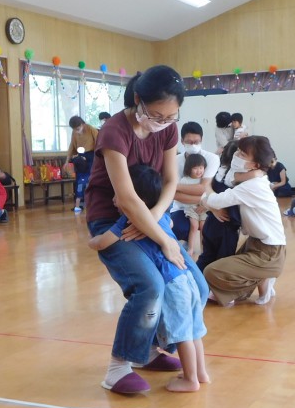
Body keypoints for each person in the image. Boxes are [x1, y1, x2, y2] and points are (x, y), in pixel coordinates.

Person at [85, 65, 207, 395]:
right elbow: (124, 198)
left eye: (171, 117)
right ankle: (118, 366)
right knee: (150, 286)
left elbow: (171, 181)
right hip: (115, 219)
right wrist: (161, 237)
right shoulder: (114, 132)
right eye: (157, 115)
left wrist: (153, 220)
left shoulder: (167, 129)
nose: (165, 123)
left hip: (151, 216)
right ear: (138, 100)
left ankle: (149, 349)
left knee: (198, 285)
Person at [89, 164, 208, 392]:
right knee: (193, 330)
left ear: (137, 201)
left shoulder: (127, 221)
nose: (116, 199)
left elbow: (103, 242)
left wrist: (92, 242)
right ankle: (201, 373)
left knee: (182, 333)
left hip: (172, 285)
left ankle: (190, 380)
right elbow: (171, 224)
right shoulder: (162, 216)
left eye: (120, 194)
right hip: (186, 279)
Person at [201, 136, 285, 306]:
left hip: (269, 252)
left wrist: (204, 196)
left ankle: (262, 277)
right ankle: (261, 279)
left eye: (242, 154)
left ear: (254, 165)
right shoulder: (254, 178)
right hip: (256, 244)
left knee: (211, 271)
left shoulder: (252, 185)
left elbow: (215, 201)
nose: (236, 156)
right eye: (238, 151)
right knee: (219, 275)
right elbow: (232, 177)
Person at [196, 141, 243, 273]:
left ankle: (195, 284)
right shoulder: (235, 178)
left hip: (210, 223)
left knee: (206, 257)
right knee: (223, 262)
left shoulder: (217, 172)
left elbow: (205, 195)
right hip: (226, 227)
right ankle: (216, 291)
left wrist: (212, 209)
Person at [170, 122, 220, 243]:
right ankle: (187, 246)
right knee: (178, 227)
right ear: (182, 141)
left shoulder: (212, 158)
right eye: (189, 142)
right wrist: (203, 199)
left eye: (196, 142)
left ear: (201, 140)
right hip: (182, 207)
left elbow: (203, 188)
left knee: (213, 227)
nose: (193, 145)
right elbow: (172, 194)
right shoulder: (175, 160)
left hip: (206, 207)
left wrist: (175, 187)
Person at [173, 153, 207, 257]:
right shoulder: (185, 180)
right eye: (195, 168)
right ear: (189, 168)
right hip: (190, 208)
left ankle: (203, 250)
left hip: (203, 208)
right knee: (194, 225)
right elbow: (182, 196)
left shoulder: (204, 180)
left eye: (201, 168)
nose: (199, 171)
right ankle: (191, 248)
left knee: (203, 226)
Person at [70, 146, 91, 214]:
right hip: (87, 180)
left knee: (79, 194)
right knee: (87, 193)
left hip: (79, 181)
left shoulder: (75, 160)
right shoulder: (87, 160)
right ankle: (89, 207)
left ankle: (77, 207)